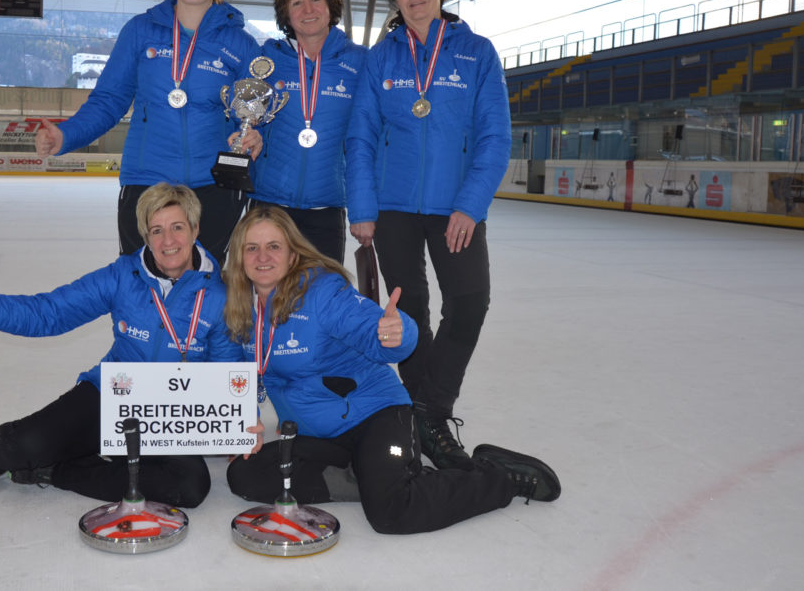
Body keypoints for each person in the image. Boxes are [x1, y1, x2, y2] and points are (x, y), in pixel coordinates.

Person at [222, 207, 558, 534]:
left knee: (392, 513)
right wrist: (244, 421)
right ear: (240, 256)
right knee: (245, 475)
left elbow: (378, 333)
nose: (262, 256)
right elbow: (237, 373)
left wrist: (395, 334)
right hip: (318, 434)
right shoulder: (239, 308)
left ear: (292, 255)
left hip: (374, 415)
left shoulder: (322, 293)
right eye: (252, 248)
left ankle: (498, 478)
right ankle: (374, 477)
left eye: (273, 246)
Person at [0, 184, 240, 507]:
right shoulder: (123, 276)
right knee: (26, 444)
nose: (168, 240)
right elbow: (49, 313)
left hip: (172, 412)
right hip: (114, 394)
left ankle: (59, 472)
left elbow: (226, 372)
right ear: (145, 236)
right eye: (156, 230)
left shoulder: (220, 295)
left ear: (195, 230)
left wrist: (239, 423)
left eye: (177, 227)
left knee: (189, 486)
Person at [345, 0, 510, 469]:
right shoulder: (381, 57)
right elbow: (362, 137)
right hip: (391, 206)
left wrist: (471, 204)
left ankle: (429, 411)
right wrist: (363, 208)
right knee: (409, 310)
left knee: (469, 302)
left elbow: (494, 137)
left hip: (454, 207)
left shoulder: (476, 52)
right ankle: (429, 421)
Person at [33, 0, 262, 263]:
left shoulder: (242, 45)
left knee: (203, 291)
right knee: (139, 289)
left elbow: (254, 117)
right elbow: (108, 101)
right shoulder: (140, 31)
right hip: (147, 183)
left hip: (212, 186)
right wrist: (66, 134)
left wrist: (256, 137)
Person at [248, 0, 366, 264]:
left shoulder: (360, 62)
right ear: (285, 13)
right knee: (264, 299)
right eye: (296, 2)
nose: (308, 9)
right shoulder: (266, 59)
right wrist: (251, 135)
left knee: (322, 301)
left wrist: (363, 208)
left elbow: (364, 139)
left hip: (325, 209)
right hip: (269, 206)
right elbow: (249, 117)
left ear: (331, 5)